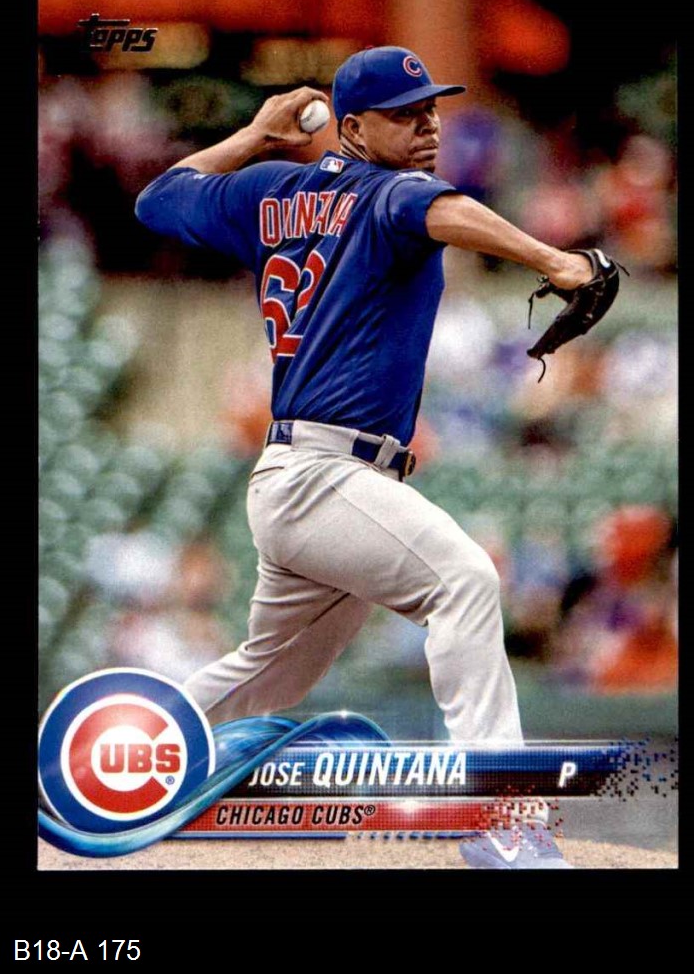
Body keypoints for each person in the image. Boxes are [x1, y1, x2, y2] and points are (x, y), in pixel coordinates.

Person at [136, 46, 596, 869]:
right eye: (404, 115)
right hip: (327, 475)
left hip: (304, 482)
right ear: (351, 129)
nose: (428, 127)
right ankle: (500, 816)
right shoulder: (393, 193)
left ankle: (118, 761)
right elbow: (441, 210)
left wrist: (254, 135)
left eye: (431, 109)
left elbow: (161, 196)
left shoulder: (270, 190)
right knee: (464, 580)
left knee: (269, 674)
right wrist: (557, 260)